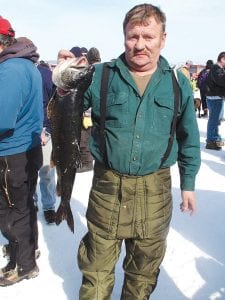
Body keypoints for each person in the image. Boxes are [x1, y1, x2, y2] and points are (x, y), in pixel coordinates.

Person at [56, 4, 200, 299]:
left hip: (156, 190)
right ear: (124, 37)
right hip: (107, 186)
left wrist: (188, 184)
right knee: (96, 266)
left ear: (163, 38)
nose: (140, 44)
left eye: (148, 36)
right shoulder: (100, 75)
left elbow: (189, 136)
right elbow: (64, 100)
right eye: (133, 36)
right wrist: (64, 77)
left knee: (143, 271)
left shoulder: (177, 82)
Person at [0, 17, 43, 285]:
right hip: (24, 150)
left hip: (10, 154)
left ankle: (23, 265)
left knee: (11, 210)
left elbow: (3, 119)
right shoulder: (24, 65)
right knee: (23, 206)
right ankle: (25, 255)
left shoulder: (10, 70)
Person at [34, 60, 56, 224]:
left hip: (42, 131)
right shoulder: (9, 72)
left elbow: (53, 103)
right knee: (33, 173)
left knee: (45, 171)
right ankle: (35, 203)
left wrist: (47, 127)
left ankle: (47, 206)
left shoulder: (46, 75)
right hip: (27, 131)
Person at [205, 52, 225, 150]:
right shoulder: (217, 69)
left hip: (215, 98)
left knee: (215, 120)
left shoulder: (217, 69)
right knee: (214, 120)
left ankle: (214, 138)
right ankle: (211, 141)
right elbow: (222, 81)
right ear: (222, 59)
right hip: (215, 98)